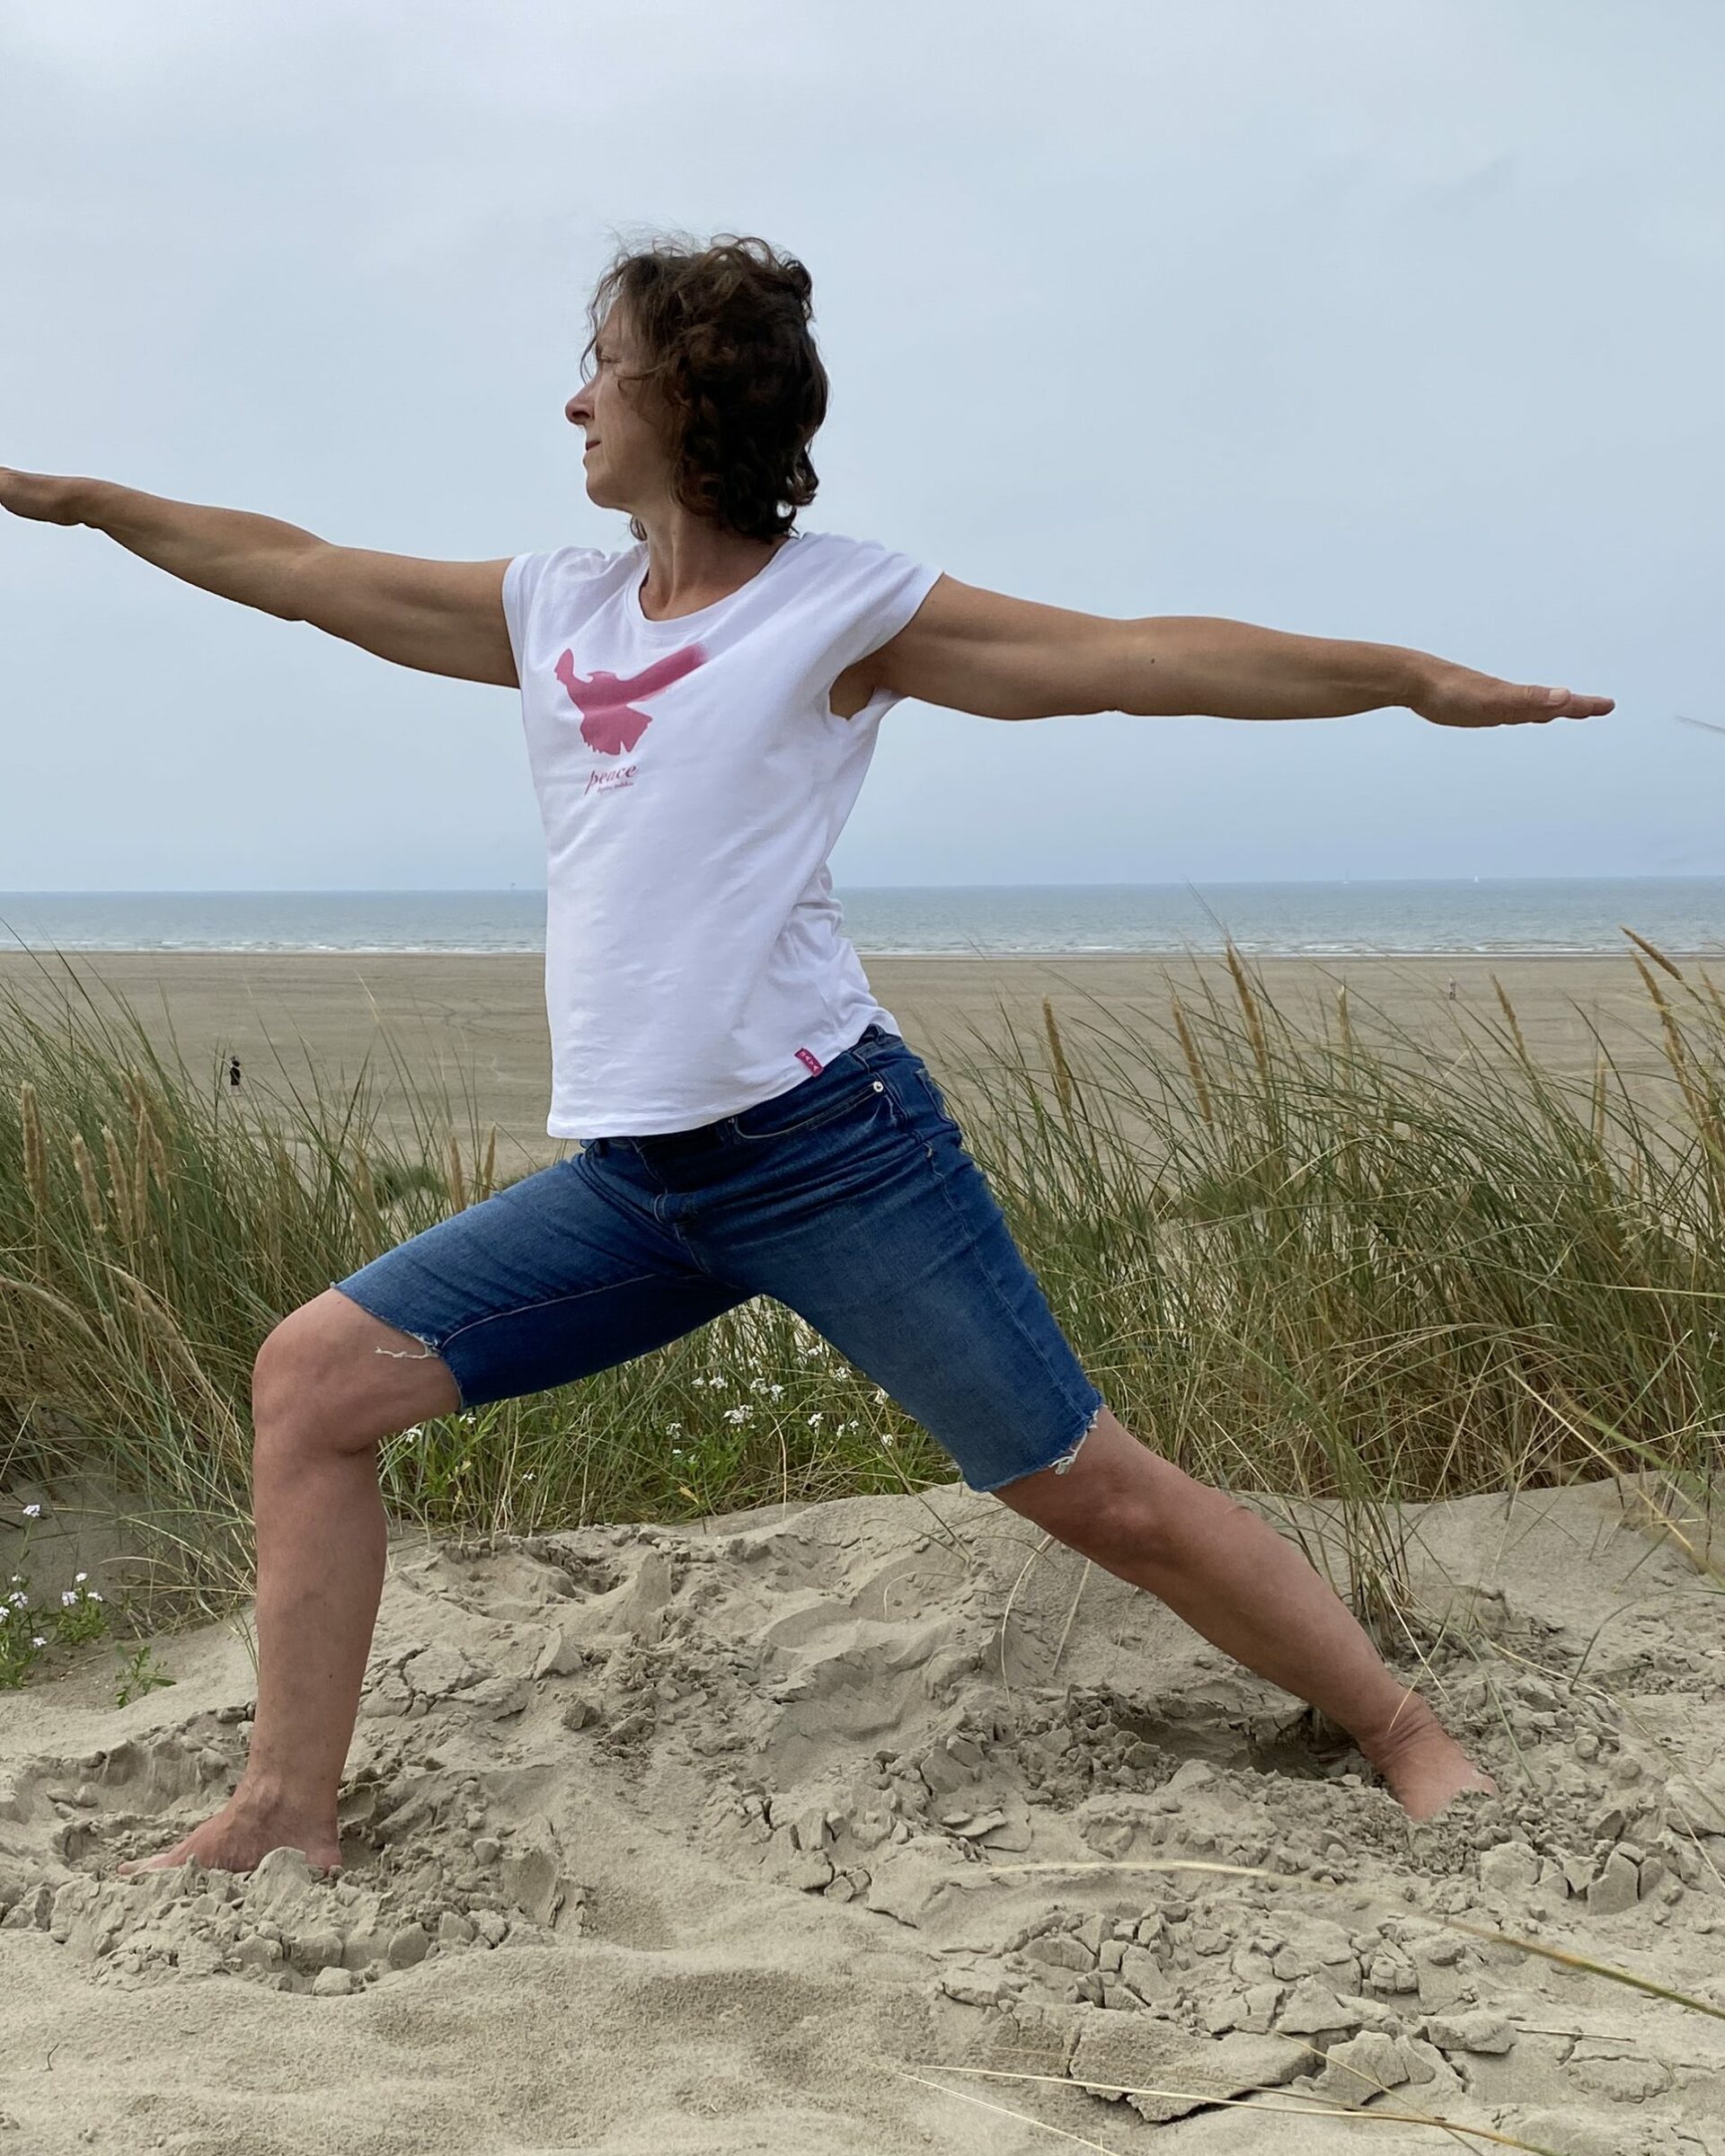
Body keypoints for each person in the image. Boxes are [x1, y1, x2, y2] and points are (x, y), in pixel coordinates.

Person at [0, 232, 1613, 1878]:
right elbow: (298, 566)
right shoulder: (554, 606)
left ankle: (1407, 1734)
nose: (573, 402)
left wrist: (1405, 684)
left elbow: (1133, 659)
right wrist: (82, 503)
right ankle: (287, 1809)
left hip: (835, 1155)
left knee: (1092, 1493)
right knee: (313, 1381)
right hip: (639, 1187)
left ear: (685, 396)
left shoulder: (842, 608)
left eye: (601, 368)